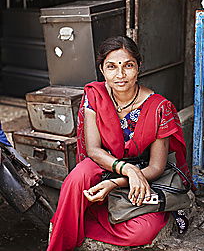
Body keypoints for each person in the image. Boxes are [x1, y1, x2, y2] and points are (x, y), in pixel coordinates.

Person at [47, 36, 192, 251]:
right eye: (112, 67)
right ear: (102, 70)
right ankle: (65, 236)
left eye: (128, 66)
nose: (120, 75)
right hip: (105, 163)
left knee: (141, 232)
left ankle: (74, 221)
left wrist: (120, 181)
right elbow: (93, 150)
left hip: (144, 175)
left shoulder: (159, 107)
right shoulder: (94, 96)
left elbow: (156, 167)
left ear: (139, 67)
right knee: (78, 178)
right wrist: (126, 169)